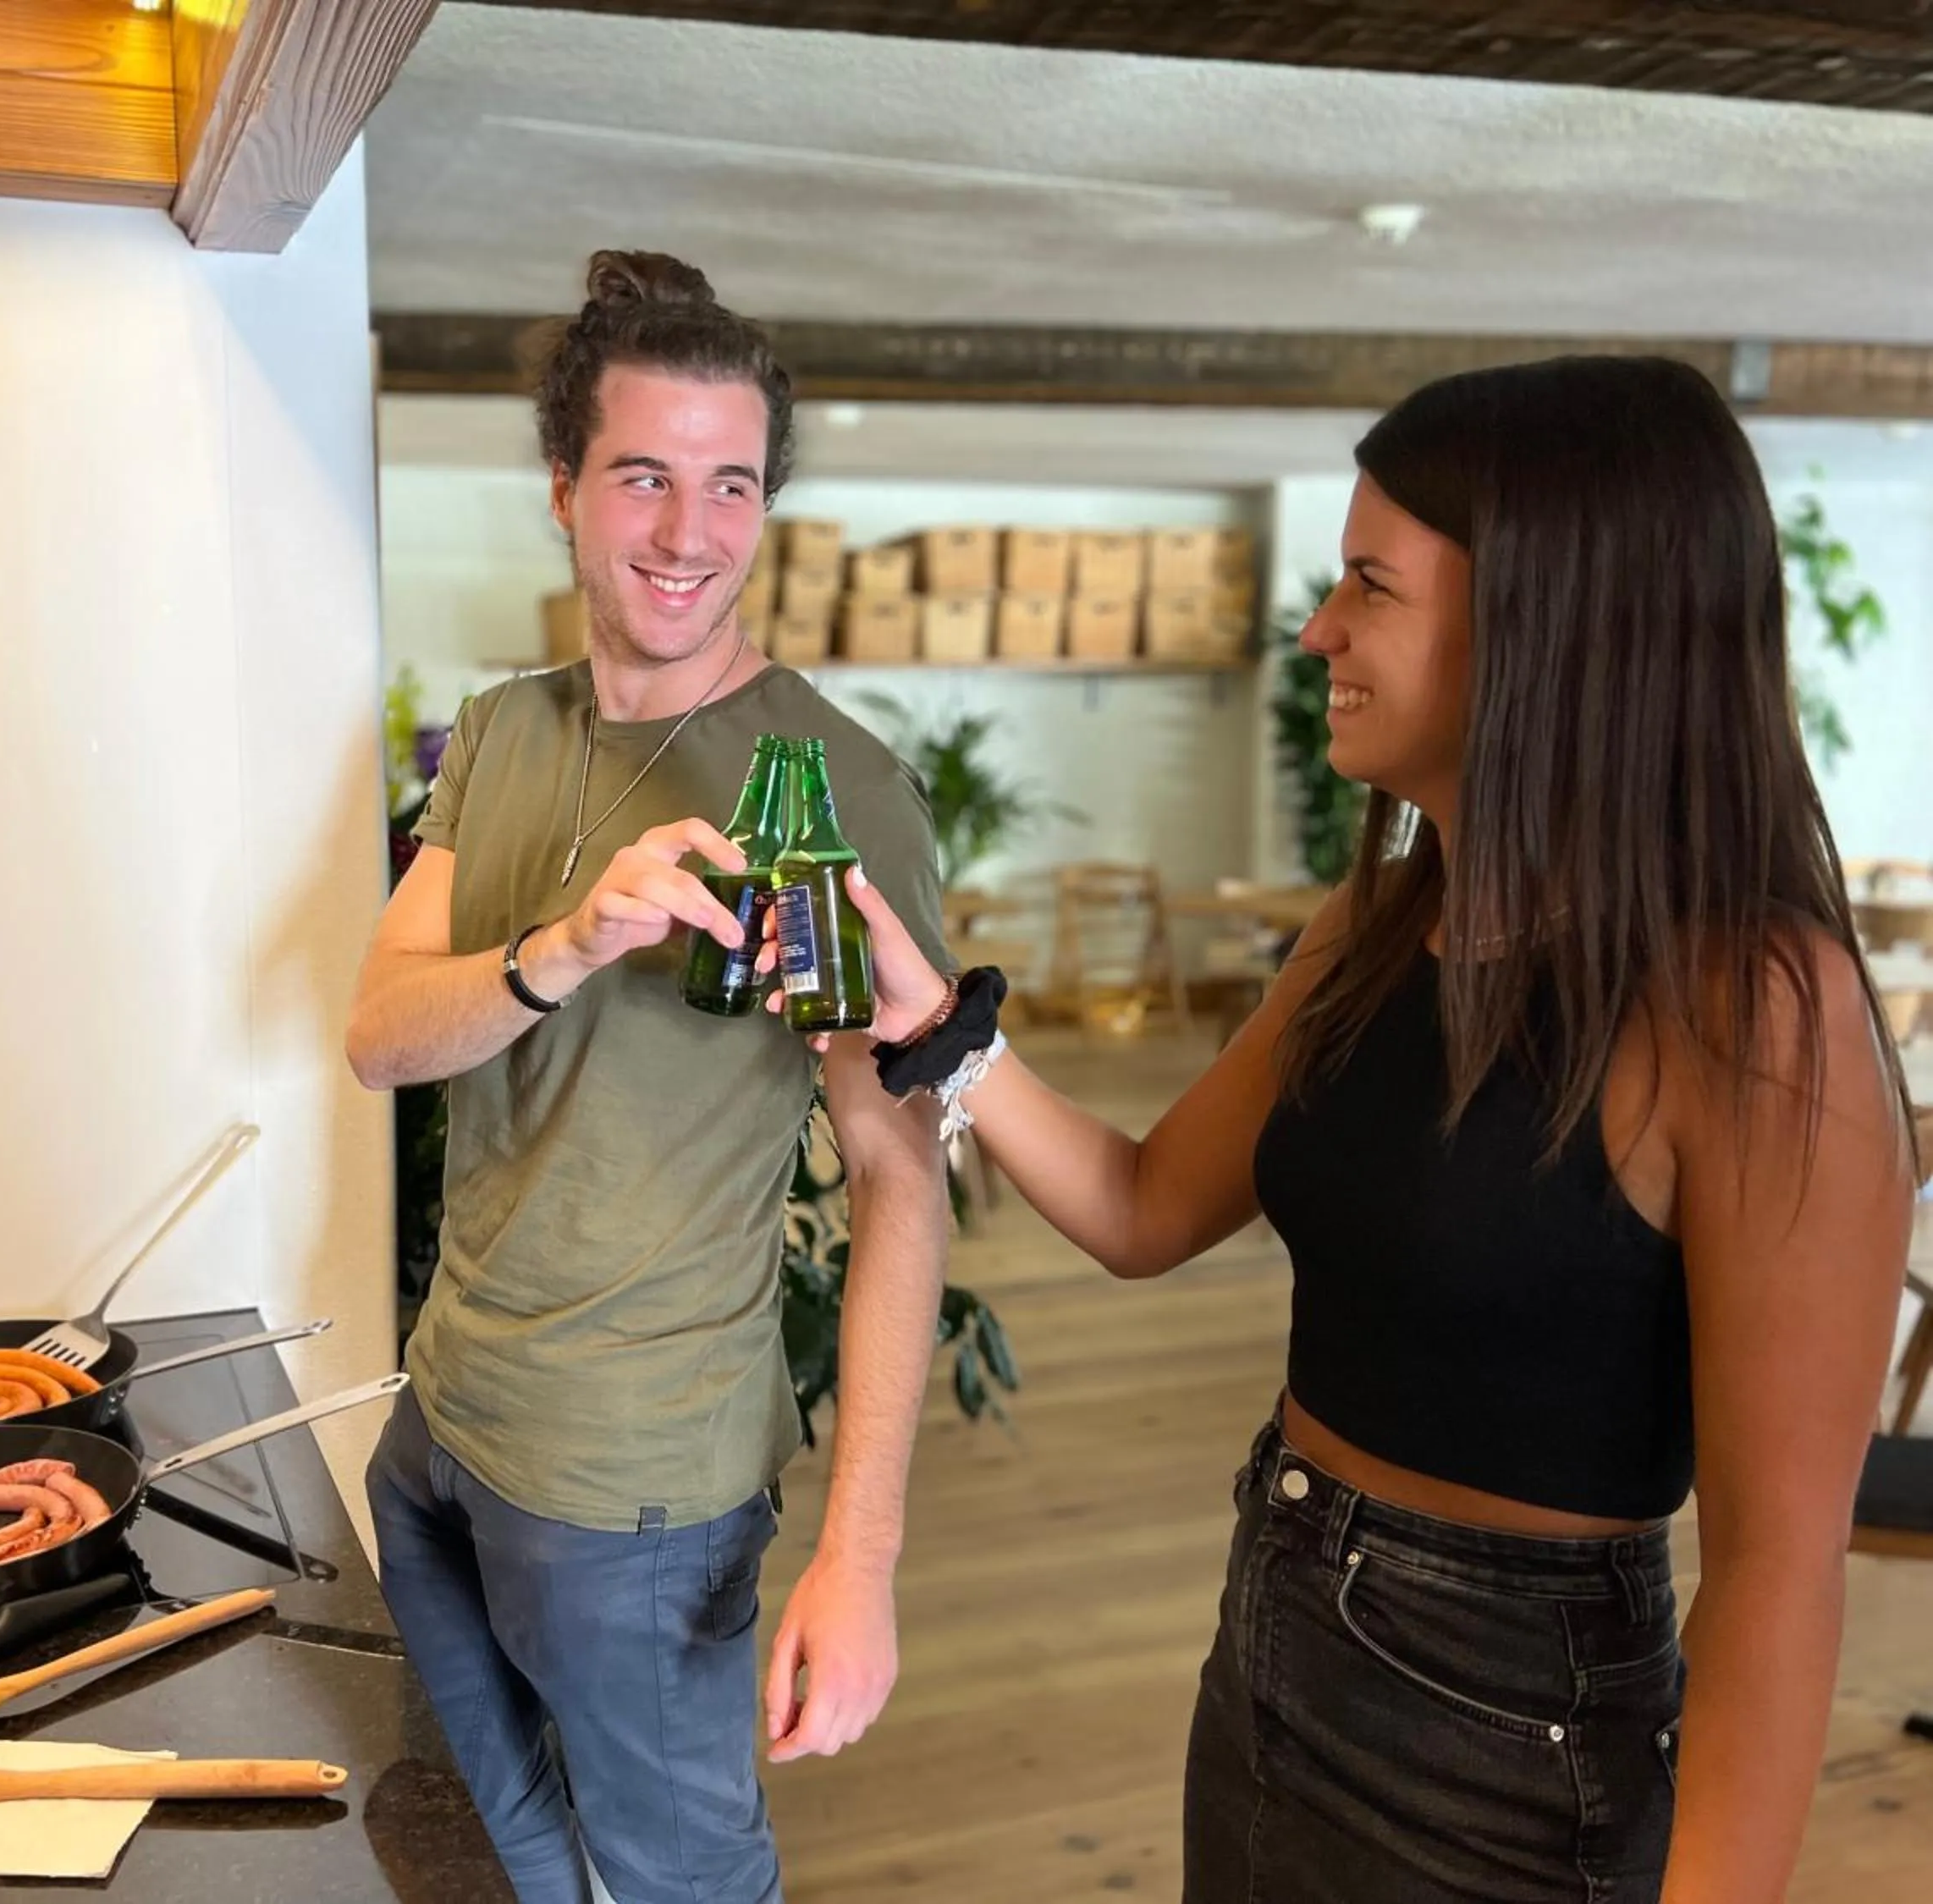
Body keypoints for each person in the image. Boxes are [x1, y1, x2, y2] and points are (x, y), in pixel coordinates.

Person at [774, 356, 1917, 1902]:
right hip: (1279, 1637)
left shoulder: (1758, 1008)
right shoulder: (1381, 918)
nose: (1319, 632)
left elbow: (1780, 1580)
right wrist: (942, 1036)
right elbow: (1139, 1205)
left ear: (1540, 624)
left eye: (1368, 585)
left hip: (1519, 1737)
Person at [344, 249, 952, 1904]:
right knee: (519, 1856)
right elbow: (380, 1032)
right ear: (564, 490)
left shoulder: (818, 789)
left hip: (639, 1504)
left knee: (684, 1887)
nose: (689, 535)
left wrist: (865, 1552)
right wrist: (565, 944)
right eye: (645, 479)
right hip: (441, 1429)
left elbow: (900, 1171)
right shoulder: (507, 729)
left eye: (732, 485)